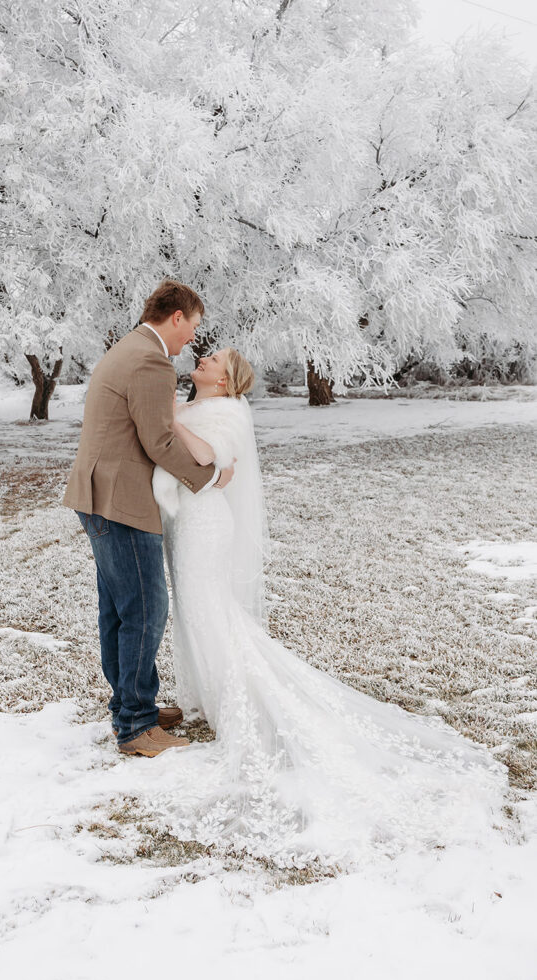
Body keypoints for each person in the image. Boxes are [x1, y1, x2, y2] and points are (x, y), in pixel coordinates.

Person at [149, 347, 509, 865]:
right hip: (187, 526)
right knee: (196, 612)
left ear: (227, 382)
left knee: (212, 613)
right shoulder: (197, 406)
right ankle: (215, 691)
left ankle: (240, 698)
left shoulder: (228, 411)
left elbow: (209, 459)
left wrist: (174, 423)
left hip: (207, 527)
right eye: (203, 358)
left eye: (213, 362)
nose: (202, 361)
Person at [63, 280, 234, 758]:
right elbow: (158, 441)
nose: (191, 341)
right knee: (144, 608)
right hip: (120, 500)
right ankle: (136, 726)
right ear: (176, 316)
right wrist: (212, 474)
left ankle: (132, 705)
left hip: (99, 494)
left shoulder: (130, 347)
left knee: (119, 608)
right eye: (192, 327)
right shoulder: (152, 361)